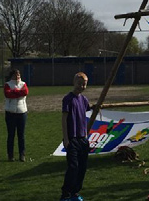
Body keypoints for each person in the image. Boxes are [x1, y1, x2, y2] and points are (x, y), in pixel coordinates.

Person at [60, 72, 91, 201]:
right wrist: (66, 138)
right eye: (79, 84)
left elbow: (89, 112)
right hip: (72, 139)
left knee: (82, 168)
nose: (81, 87)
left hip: (82, 138)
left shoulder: (84, 100)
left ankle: (75, 192)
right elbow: (64, 118)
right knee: (73, 167)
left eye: (84, 85)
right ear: (74, 83)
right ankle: (66, 193)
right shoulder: (68, 99)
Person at [4, 69, 28, 162]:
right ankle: (10, 155)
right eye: (15, 75)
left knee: (21, 135)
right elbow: (7, 94)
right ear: (12, 76)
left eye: (18, 75)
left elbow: (25, 92)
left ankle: (22, 155)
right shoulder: (8, 84)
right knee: (11, 135)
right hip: (10, 113)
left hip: (22, 113)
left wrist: (14, 92)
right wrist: (18, 92)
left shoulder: (23, 84)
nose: (17, 77)